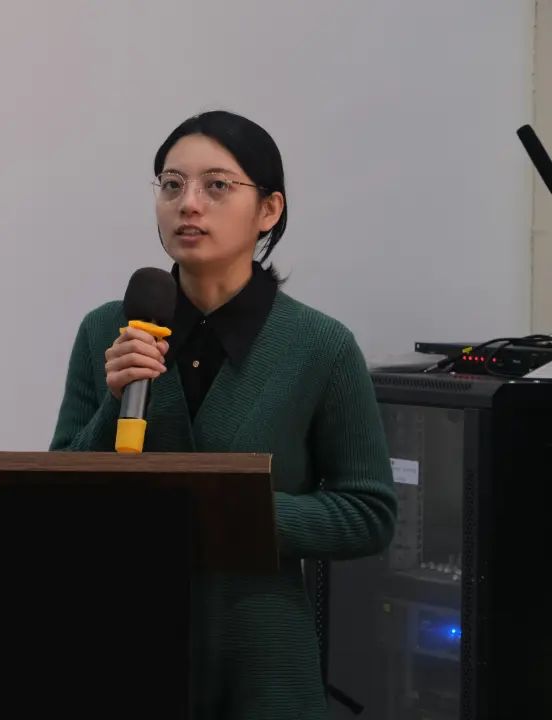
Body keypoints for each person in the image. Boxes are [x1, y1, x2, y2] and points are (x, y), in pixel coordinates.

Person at [50, 110, 398, 719]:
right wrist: (115, 402)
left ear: (268, 210)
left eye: (217, 185)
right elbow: (60, 494)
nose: (189, 204)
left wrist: (233, 509)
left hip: (263, 663)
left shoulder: (320, 345)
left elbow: (369, 512)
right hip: (124, 651)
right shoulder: (107, 330)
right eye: (172, 184)